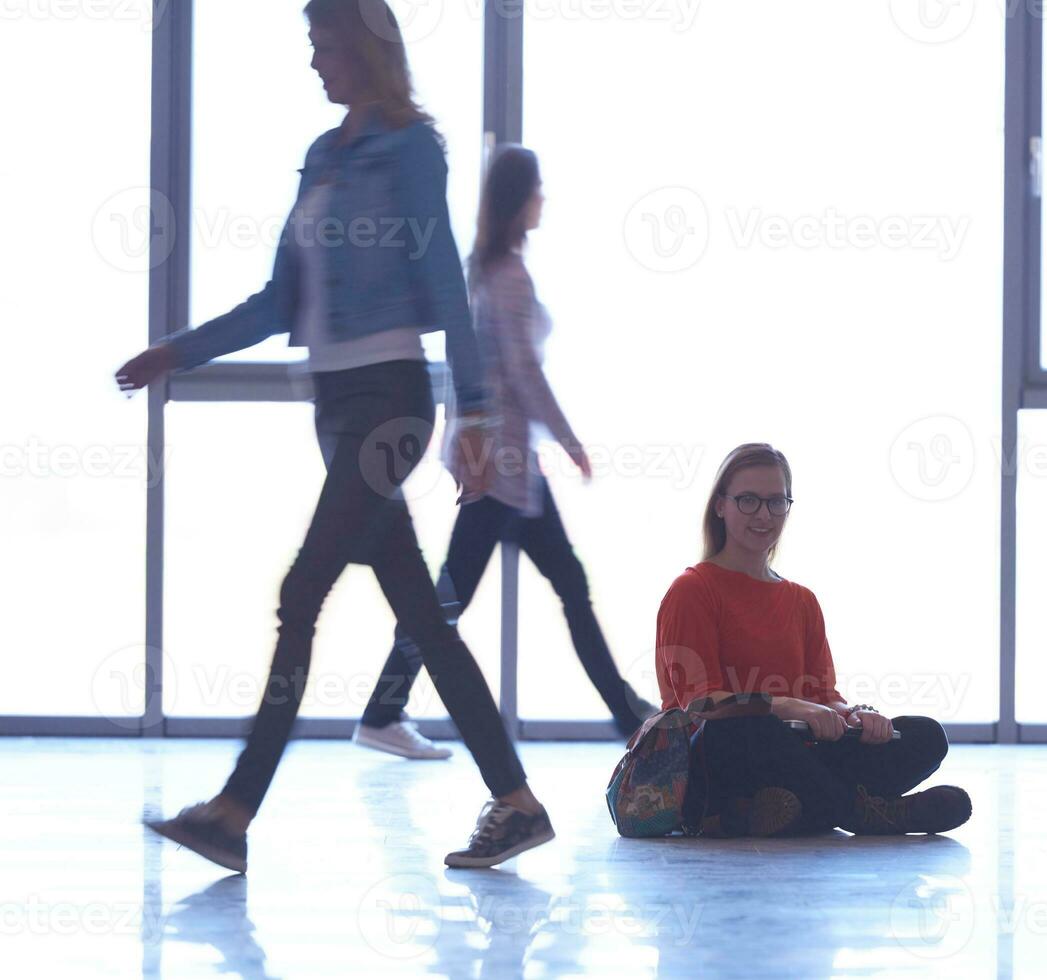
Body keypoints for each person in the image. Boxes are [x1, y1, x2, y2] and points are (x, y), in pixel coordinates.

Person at [121, 0, 553, 871]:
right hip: (335, 404)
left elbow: (442, 279)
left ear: (364, 47)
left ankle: (234, 810)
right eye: (311, 45)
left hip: (390, 398)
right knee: (426, 623)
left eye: (323, 44)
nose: (314, 61)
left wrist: (472, 412)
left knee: (302, 590)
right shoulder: (324, 156)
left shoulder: (409, 149)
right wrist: (180, 350)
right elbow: (281, 299)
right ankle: (517, 803)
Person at [353, 145, 656, 761]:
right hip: (501, 470)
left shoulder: (487, 270)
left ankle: (627, 715)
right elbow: (522, 375)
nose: (544, 198)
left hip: (508, 469)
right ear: (520, 200)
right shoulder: (508, 278)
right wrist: (571, 441)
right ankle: (383, 712)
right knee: (457, 599)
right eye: (538, 189)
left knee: (550, 588)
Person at [655, 443, 972, 837]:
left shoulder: (801, 600)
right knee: (746, 731)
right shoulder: (693, 589)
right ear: (720, 505)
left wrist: (856, 715)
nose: (763, 514)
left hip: (799, 754)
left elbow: (822, 694)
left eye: (775, 502)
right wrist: (789, 707)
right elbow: (699, 706)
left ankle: (776, 811)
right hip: (721, 757)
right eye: (748, 500)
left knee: (924, 734)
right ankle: (866, 813)